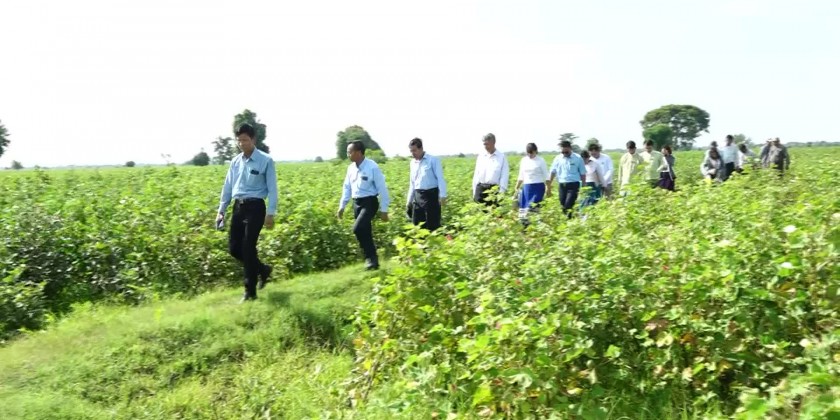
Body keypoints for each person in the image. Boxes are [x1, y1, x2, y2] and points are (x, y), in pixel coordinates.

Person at [216, 123, 278, 303]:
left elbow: (273, 189)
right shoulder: (235, 162)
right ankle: (262, 269)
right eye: (239, 140)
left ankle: (250, 292)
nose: (242, 143)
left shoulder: (266, 160)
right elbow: (227, 187)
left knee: (248, 247)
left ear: (253, 140)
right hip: (238, 207)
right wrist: (221, 211)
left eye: (245, 140)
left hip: (256, 207)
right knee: (234, 249)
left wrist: (271, 213)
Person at [337, 141, 390, 270]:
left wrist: (384, 210)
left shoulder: (372, 167)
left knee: (357, 228)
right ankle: (372, 261)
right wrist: (342, 206)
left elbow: (382, 188)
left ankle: (370, 259)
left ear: (359, 152)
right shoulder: (350, 168)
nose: (348, 154)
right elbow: (347, 188)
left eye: (350, 152)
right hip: (357, 203)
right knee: (365, 232)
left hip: (370, 202)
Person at [406, 138, 447, 232]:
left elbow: (440, 179)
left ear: (421, 148)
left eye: (414, 150)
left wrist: (443, 196)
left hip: (431, 196)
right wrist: (409, 201)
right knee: (417, 227)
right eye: (411, 151)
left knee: (433, 227)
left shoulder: (433, 160)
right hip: (418, 197)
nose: (412, 153)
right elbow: (412, 183)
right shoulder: (412, 163)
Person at [546, 140, 586, 219]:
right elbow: (553, 172)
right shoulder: (557, 158)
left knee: (568, 205)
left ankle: (570, 220)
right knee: (563, 206)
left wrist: (584, 186)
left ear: (570, 149)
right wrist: (548, 185)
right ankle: (570, 220)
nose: (564, 153)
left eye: (566, 152)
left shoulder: (578, 158)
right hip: (562, 185)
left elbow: (583, 173)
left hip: (573, 185)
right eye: (563, 152)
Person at [513, 143, 548, 225]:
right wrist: (517, 187)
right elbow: (521, 175)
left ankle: (536, 226)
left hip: (538, 188)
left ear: (535, 151)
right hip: (527, 188)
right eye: (528, 153)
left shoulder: (540, 160)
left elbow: (546, 176)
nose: (529, 155)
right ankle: (526, 228)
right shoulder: (524, 160)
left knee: (533, 208)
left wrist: (548, 188)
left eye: (531, 153)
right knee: (524, 210)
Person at [472, 133, 510, 206]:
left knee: (494, 212)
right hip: (480, 190)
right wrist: (474, 192)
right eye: (484, 144)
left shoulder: (501, 157)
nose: (485, 146)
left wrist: (501, 192)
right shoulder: (481, 157)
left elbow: (504, 176)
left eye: (487, 144)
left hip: (494, 191)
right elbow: (476, 175)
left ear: (494, 142)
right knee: (479, 211)